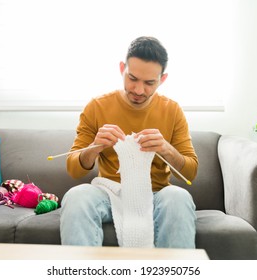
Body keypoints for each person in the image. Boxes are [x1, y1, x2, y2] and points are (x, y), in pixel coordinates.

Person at [60, 36, 198, 248]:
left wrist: (166, 149)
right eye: (132, 78)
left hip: (157, 194)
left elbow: (191, 172)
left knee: (178, 197)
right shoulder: (97, 107)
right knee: (77, 196)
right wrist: (95, 147)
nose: (139, 90)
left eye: (149, 83)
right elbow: (73, 169)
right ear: (122, 68)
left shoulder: (173, 111)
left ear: (162, 79)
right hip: (109, 192)